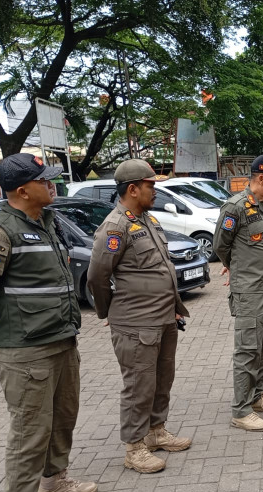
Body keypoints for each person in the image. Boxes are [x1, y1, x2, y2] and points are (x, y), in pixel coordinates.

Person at [0, 153, 96, 492]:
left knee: (62, 415)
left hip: (59, 339)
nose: (52, 185)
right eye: (44, 180)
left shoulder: (46, 222)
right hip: (26, 349)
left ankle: (54, 480)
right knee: (30, 427)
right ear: (23, 190)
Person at [87, 159, 191, 474]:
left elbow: (161, 268)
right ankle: (134, 448)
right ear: (133, 189)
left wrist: (173, 306)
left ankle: (156, 431)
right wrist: (109, 311)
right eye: (151, 186)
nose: (155, 191)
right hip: (135, 323)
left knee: (162, 379)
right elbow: (97, 276)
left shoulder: (148, 220)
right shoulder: (115, 226)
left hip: (163, 317)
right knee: (138, 384)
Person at [214, 155, 263, 432]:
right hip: (249, 291)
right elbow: (220, 245)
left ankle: (257, 396)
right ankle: (241, 409)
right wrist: (233, 266)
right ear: (260, 178)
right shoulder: (235, 208)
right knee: (247, 349)